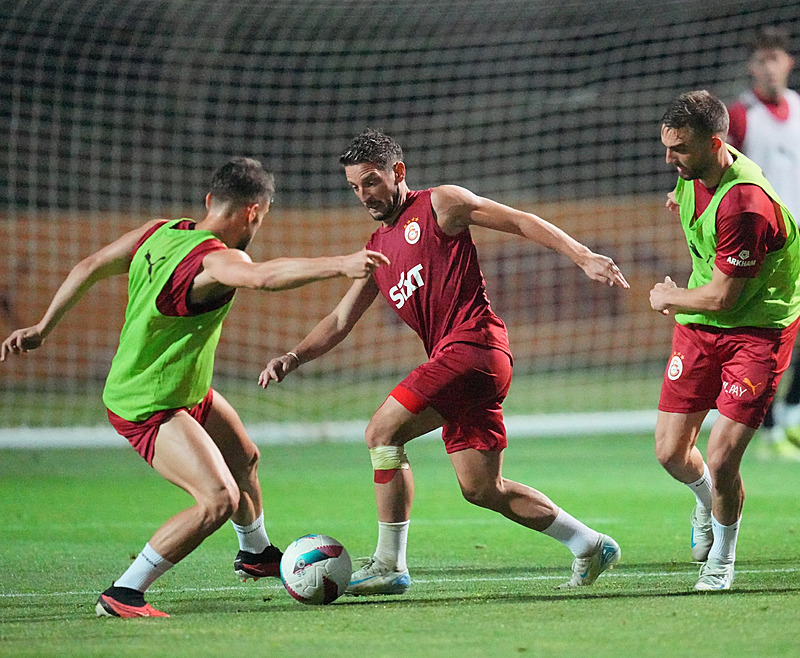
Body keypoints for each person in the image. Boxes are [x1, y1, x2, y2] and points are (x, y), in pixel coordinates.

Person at [0, 157, 389, 617]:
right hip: (148, 404)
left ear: (210, 201)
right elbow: (263, 277)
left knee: (244, 458)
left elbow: (91, 264)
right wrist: (341, 264)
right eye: (261, 219)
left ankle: (256, 554)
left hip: (182, 389)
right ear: (253, 212)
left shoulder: (157, 231)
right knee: (218, 500)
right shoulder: (218, 259)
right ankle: (123, 593)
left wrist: (44, 326)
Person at [259, 129, 629, 596]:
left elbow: (518, 220)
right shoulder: (377, 247)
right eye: (354, 187)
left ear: (398, 172)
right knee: (480, 488)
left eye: (370, 182)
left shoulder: (440, 204)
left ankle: (390, 563)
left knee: (381, 432)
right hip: (466, 363)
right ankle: (589, 543)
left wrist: (582, 255)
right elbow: (338, 319)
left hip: (474, 346)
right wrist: (293, 357)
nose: (363, 195)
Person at [651, 90, 800, 590]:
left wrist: (668, 296)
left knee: (720, 458)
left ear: (716, 144)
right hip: (702, 330)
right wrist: (681, 192)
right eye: (667, 147)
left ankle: (723, 561)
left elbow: (722, 299)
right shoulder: (696, 171)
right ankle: (705, 502)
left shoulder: (746, 205)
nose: (669, 159)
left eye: (680, 150)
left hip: (758, 330)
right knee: (672, 453)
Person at [728, 25, 800, 460]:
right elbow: (721, 173)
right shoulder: (739, 115)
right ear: (751, 67)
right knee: (763, 335)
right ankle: (770, 430)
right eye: (760, 60)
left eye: (775, 57)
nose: (768, 67)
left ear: (788, 62)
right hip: (761, 243)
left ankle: (789, 416)